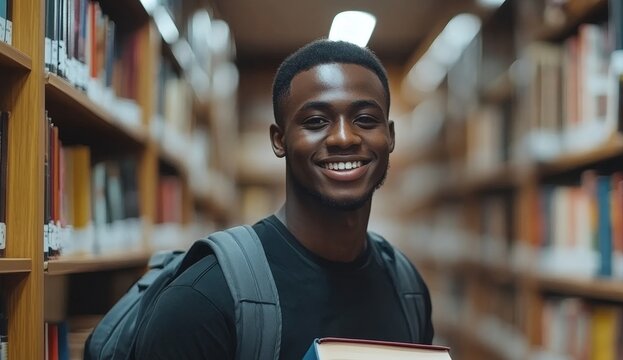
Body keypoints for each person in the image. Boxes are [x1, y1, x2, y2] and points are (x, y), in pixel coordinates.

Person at [134, 39, 434, 359]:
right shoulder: (203, 299)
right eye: (316, 121)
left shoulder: (407, 289)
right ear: (280, 140)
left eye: (365, 119)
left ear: (390, 136)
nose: (344, 137)